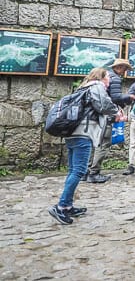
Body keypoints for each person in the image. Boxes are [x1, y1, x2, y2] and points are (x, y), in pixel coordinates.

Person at [48, 68, 118, 225]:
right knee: (79, 171)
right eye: (108, 77)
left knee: (73, 171)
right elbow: (103, 105)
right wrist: (116, 112)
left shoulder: (83, 87)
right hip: (83, 134)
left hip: (72, 133)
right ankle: (61, 206)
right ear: (101, 77)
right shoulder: (97, 86)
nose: (110, 81)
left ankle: (67, 206)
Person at [87, 58, 132, 182]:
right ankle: (94, 172)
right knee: (103, 143)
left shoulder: (92, 83)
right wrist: (128, 98)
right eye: (125, 68)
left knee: (93, 143)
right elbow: (115, 97)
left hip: (93, 116)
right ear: (119, 67)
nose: (125, 71)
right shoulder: (115, 78)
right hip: (105, 116)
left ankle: (86, 171)